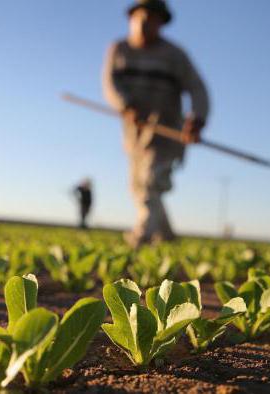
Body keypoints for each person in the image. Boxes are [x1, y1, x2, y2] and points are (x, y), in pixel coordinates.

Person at [103, 0, 210, 247]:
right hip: (134, 133)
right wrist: (126, 105)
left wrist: (198, 118)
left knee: (151, 182)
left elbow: (197, 88)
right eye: (140, 17)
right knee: (139, 186)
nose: (144, 23)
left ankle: (142, 237)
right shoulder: (119, 50)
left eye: (152, 18)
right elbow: (110, 83)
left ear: (161, 23)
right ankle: (167, 236)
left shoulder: (175, 55)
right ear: (131, 18)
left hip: (166, 130)